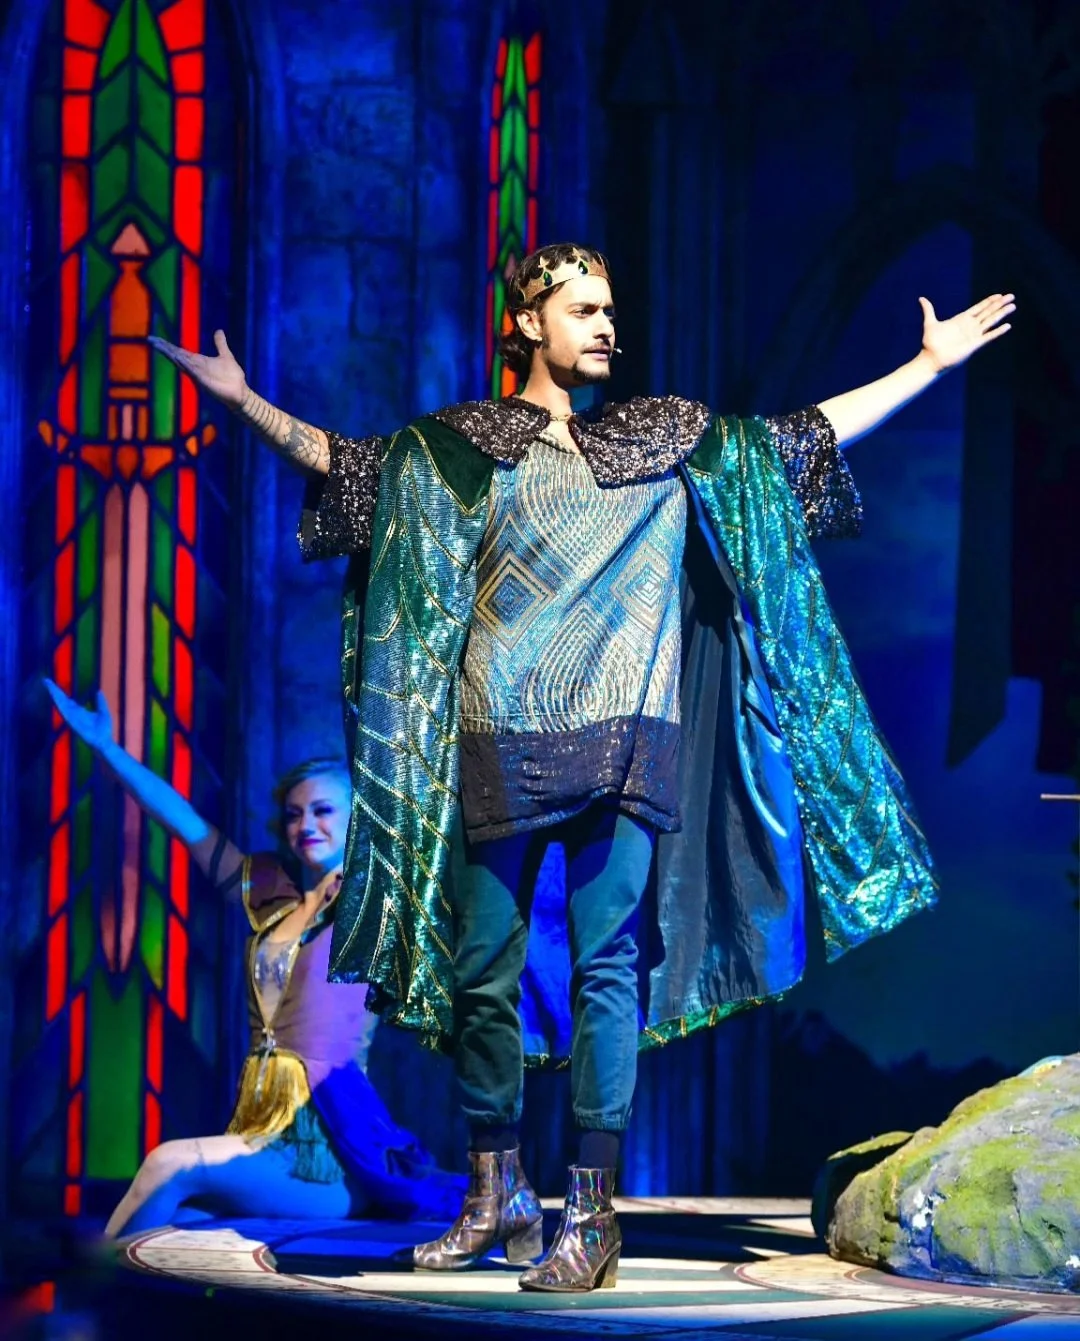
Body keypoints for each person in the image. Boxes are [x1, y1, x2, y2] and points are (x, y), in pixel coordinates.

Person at [149, 244, 1013, 1291]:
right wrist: (242, 400)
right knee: (482, 977)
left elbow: (804, 438)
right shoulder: (458, 451)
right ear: (527, 324)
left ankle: (590, 1215)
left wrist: (924, 367)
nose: (607, 324)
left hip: (628, 740)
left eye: (612, 307)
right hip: (494, 736)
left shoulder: (666, 441)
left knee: (608, 970)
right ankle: (494, 1192)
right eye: (584, 308)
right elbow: (351, 468)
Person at [43, 679, 465, 1239]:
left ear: (357, 819)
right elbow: (184, 823)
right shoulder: (270, 891)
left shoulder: (372, 904)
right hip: (261, 1128)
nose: (305, 825)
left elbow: (424, 838)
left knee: (168, 1163)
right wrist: (108, 749)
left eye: (322, 811)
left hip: (325, 1148)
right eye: (293, 814)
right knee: (172, 1222)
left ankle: (83, 1300)